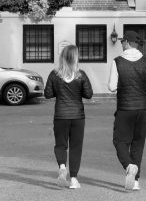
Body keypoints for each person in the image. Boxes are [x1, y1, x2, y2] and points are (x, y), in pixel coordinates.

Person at [108, 30, 146, 191]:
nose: (121, 43)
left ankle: (129, 166)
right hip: (142, 108)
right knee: (138, 143)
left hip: (125, 107)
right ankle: (135, 181)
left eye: (123, 42)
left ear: (128, 43)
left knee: (120, 141)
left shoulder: (117, 61)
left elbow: (111, 86)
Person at [44, 44, 93, 189]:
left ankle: (62, 166)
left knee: (61, 145)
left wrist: (57, 90)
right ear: (75, 58)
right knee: (76, 147)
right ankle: (73, 180)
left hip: (60, 115)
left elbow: (47, 94)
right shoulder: (81, 74)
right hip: (77, 116)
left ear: (63, 57)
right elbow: (89, 94)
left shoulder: (54, 74)